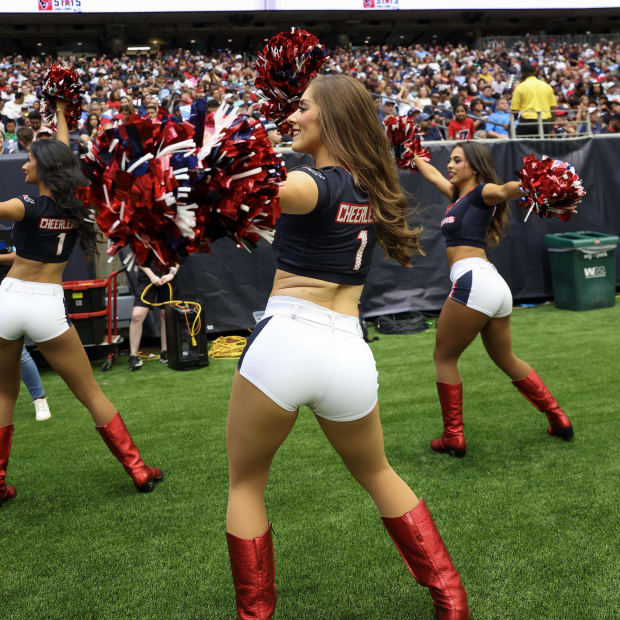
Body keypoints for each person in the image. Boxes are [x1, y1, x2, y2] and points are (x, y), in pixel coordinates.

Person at [226, 75, 470, 620]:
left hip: (286, 340)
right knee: (379, 473)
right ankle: (451, 598)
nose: (291, 117)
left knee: (245, 484)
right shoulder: (372, 189)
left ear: (330, 119)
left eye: (303, 108)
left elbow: (258, 193)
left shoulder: (310, 183)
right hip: (349, 352)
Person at [0, 101, 163, 507]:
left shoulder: (28, 205)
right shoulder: (78, 208)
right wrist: (59, 111)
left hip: (7, 303)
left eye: (29, 161)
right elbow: (62, 151)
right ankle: (138, 468)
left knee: (3, 395)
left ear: (43, 169)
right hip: (47, 309)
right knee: (90, 393)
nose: (23, 165)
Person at [412, 141, 573, 458]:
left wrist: (534, 180)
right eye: (450, 160)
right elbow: (431, 174)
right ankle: (558, 418)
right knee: (506, 358)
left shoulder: (483, 192)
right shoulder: (458, 198)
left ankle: (453, 437)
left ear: (473, 165)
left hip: (475, 282)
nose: (450, 165)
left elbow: (505, 191)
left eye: (457, 160)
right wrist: (407, 150)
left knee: (444, 358)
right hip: (492, 284)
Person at [0, 249, 52, 421]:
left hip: (8, 290)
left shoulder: (10, 226)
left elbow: (21, 256)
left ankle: (39, 399)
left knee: (17, 352)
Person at [128, 261, 179, 371]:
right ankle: (133, 356)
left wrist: (172, 274)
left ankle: (166, 352)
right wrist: (151, 276)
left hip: (167, 275)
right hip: (147, 276)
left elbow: (179, 254)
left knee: (167, 314)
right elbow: (139, 256)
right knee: (137, 316)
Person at [511, 63, 557, 137]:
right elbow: (553, 109)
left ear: (523, 73)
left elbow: (514, 111)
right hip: (545, 122)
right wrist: (551, 128)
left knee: (521, 145)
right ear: (535, 73)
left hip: (527, 123)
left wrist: (510, 126)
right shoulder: (547, 86)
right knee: (542, 146)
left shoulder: (520, 87)